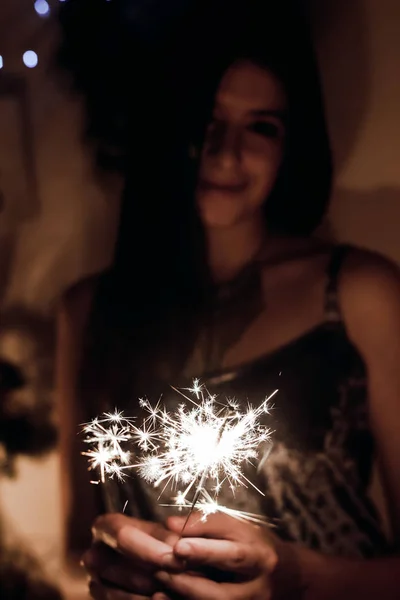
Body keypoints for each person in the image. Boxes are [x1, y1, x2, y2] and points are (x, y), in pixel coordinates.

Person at [57, 1, 400, 598]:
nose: (225, 152)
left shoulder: (359, 294)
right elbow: (72, 543)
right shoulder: (88, 312)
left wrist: (289, 575)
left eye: (260, 126)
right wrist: (118, 567)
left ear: (291, 144)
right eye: (205, 120)